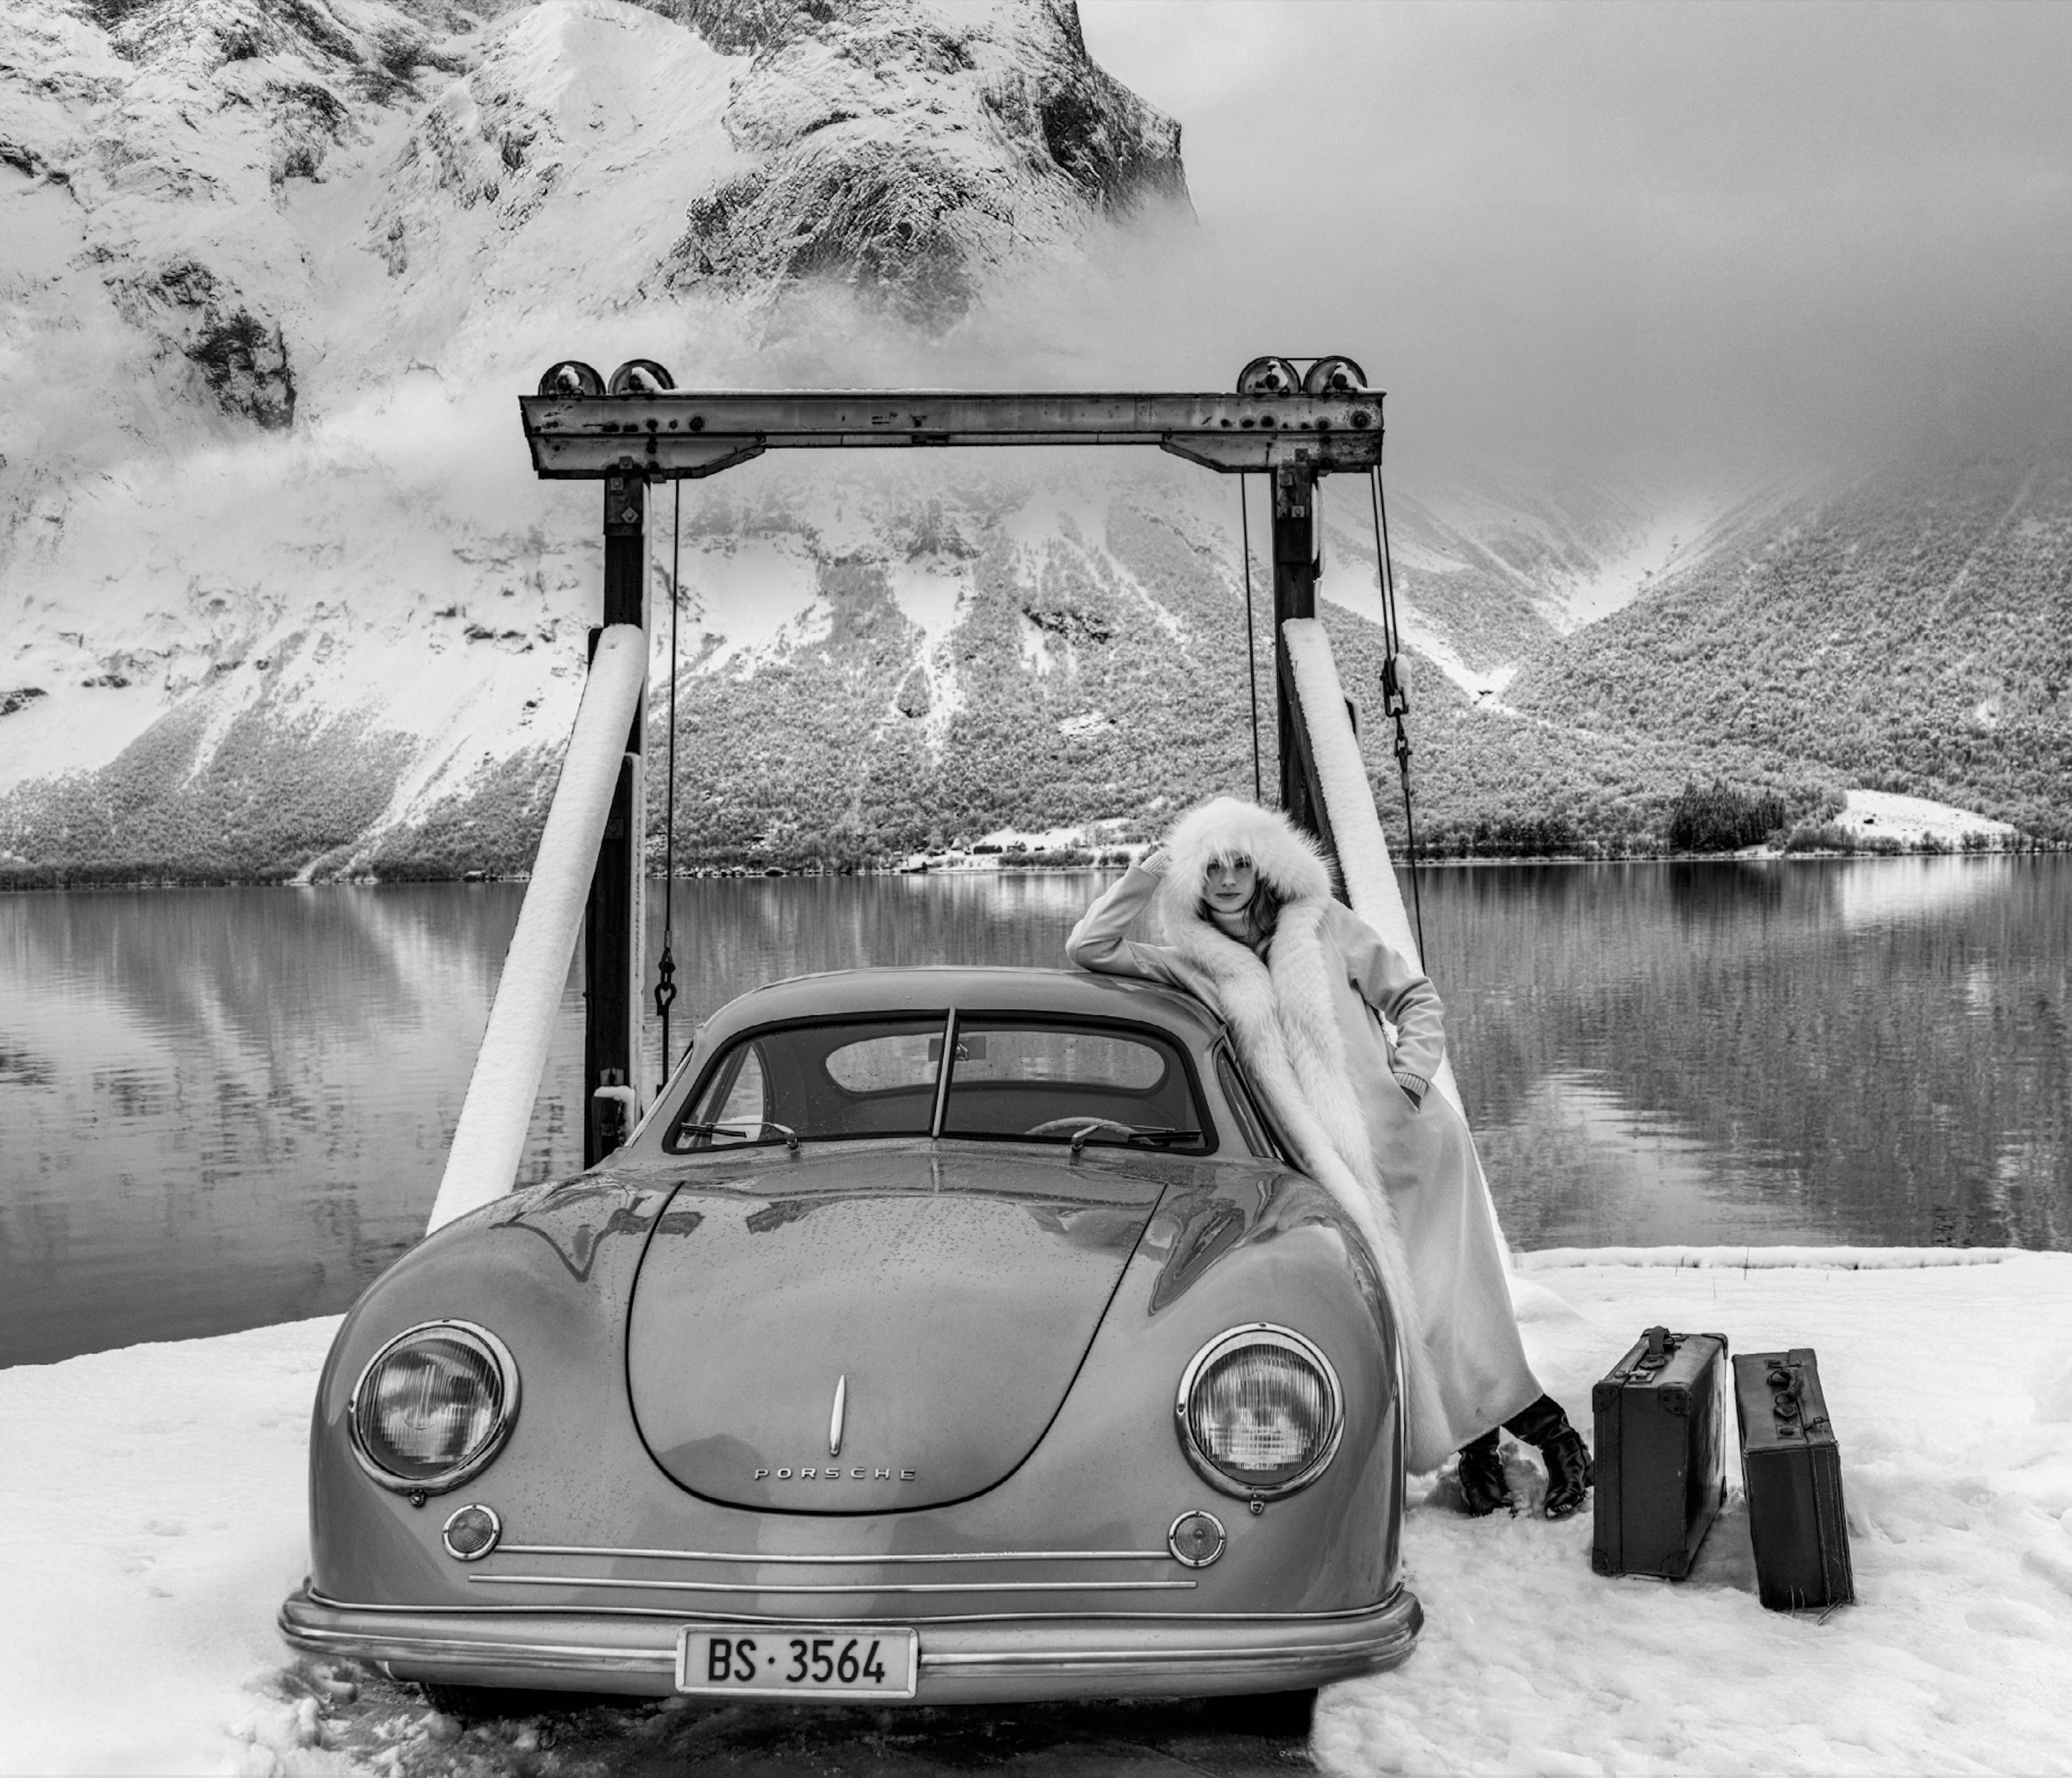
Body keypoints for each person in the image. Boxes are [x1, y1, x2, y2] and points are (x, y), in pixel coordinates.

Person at [1065, 795, 1591, 1518]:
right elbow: (1089, 946)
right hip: (1326, 1170)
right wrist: (1157, 862)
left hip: (1415, 1148)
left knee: (1458, 1311)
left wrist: (1408, 1079)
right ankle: (1479, 1447)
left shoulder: (1319, 923)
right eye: (1209, 863)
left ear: (1265, 863)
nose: (1225, 878)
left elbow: (1415, 998)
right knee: (1397, 1314)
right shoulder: (1195, 961)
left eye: (1240, 860)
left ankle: (1554, 1442)